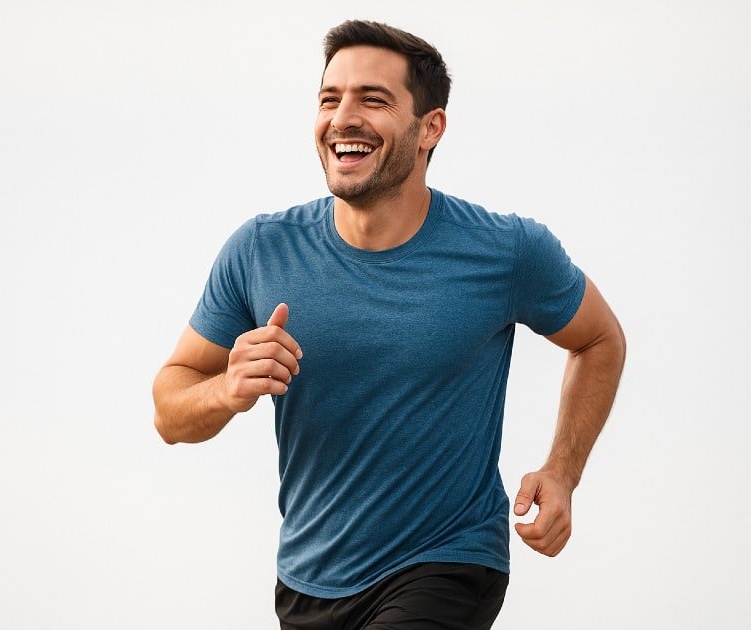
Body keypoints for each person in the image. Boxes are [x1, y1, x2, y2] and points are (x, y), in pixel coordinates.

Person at [152, 19, 626, 630]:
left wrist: (562, 473)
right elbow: (169, 408)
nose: (342, 117)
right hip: (308, 579)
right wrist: (226, 388)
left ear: (431, 128)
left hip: (448, 561)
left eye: (372, 100)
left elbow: (598, 338)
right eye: (330, 99)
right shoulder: (259, 251)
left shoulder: (506, 250)